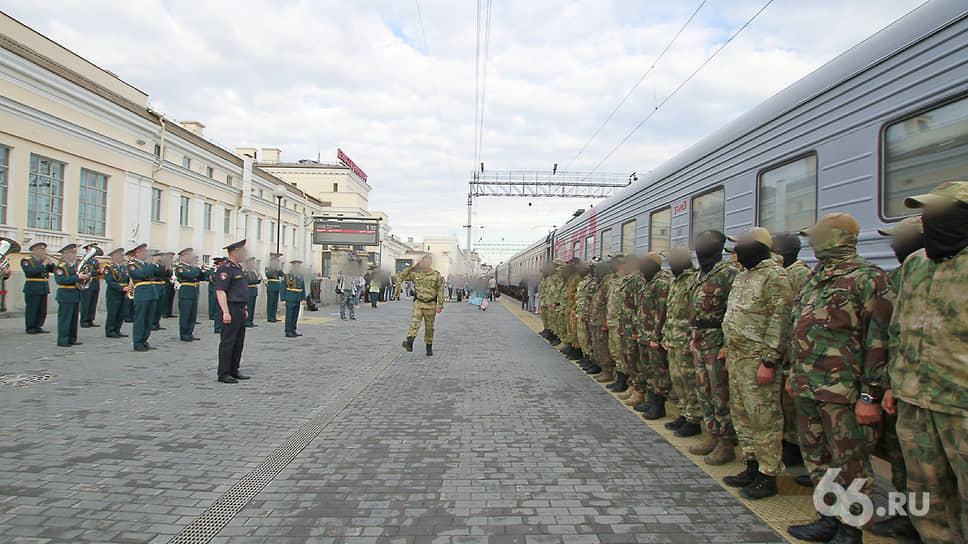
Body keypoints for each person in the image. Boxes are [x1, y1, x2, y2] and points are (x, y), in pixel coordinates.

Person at [786, 213, 891, 544]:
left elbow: (878, 341)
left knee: (851, 464)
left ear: (842, 237)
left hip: (845, 391)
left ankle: (850, 529)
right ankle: (827, 517)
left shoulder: (867, 278)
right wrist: (793, 373)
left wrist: (870, 395)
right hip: (808, 385)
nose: (812, 241)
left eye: (819, 234)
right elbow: (797, 328)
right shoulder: (816, 277)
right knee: (818, 459)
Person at [883, 181, 968, 544]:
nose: (929, 220)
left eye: (939, 213)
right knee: (925, 500)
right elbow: (898, 328)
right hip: (914, 402)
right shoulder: (916, 264)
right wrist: (892, 384)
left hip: (960, 406)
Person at [721, 227, 793, 500]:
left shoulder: (775, 277)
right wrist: (728, 351)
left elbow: (780, 320)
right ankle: (751, 465)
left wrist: (769, 361)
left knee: (764, 418)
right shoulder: (743, 276)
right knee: (742, 414)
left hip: (758, 359)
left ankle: (768, 474)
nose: (737, 249)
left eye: (742, 244)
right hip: (739, 357)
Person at [868, 216, 923, 540]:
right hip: (901, 387)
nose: (894, 244)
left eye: (901, 237)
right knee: (902, 458)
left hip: (948, 396)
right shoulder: (898, 278)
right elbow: (886, 337)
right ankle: (908, 518)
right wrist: (882, 387)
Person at [688, 229, 739, 466]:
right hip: (700, 339)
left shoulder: (729, 274)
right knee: (704, 390)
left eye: (706, 243)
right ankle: (710, 434)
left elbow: (734, 313)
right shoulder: (699, 274)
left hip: (717, 341)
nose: (701, 247)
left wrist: (727, 346)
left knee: (721, 394)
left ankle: (726, 443)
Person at [771, 232, 814, 470]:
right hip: (779, 347)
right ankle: (787, 443)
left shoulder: (800, 274)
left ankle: (794, 448)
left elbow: (796, 317)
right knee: (781, 400)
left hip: (791, 350)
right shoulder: (782, 273)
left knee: (791, 403)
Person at [661, 246, 701, 437]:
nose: (670, 263)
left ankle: (693, 419)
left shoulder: (693, 280)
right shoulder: (676, 281)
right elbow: (670, 311)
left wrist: (692, 339)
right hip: (674, 337)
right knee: (678, 379)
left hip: (685, 339)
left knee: (689, 380)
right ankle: (684, 413)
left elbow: (696, 313)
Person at [633, 252, 673, 420]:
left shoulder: (661, 284)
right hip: (644, 334)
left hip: (654, 336)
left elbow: (662, 313)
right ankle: (651, 401)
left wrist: (657, 338)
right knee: (648, 369)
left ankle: (659, 405)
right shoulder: (647, 282)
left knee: (658, 372)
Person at [215, 240, 251, 384]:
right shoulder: (225, 268)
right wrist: (225, 312)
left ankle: (234, 369)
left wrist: (246, 308)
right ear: (235, 252)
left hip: (240, 308)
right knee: (228, 342)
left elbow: (241, 290)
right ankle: (224, 373)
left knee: (238, 342)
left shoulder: (238, 268)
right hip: (230, 307)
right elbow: (220, 291)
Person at [395, 255, 445, 356]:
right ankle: (410, 342)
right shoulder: (416, 274)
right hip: (418, 302)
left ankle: (429, 346)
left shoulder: (436, 275)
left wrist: (440, 304)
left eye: (427, 262)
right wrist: (412, 267)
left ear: (430, 263)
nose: (425, 264)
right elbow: (401, 277)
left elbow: (440, 290)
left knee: (429, 327)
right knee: (415, 323)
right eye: (423, 262)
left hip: (431, 304)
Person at [53, 243, 88, 347]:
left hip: (75, 294)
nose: (74, 255)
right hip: (65, 294)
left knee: (73, 319)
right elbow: (61, 280)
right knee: (65, 319)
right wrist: (78, 278)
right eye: (72, 253)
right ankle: (63, 339)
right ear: (65, 254)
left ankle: (72, 338)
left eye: (74, 252)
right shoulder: (60, 267)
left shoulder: (76, 266)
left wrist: (85, 277)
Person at [127, 244, 158, 352]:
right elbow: (141, 274)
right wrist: (153, 264)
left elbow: (160, 274)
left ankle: (145, 340)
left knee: (149, 320)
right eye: (144, 252)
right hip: (142, 294)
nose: (146, 254)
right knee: (140, 319)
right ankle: (137, 342)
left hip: (152, 293)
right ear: (137, 254)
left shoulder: (147, 265)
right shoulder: (132, 265)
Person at [20, 241, 55, 334]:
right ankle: (30, 327)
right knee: (32, 309)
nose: (42, 252)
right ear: (33, 250)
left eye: (43, 250)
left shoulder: (43, 260)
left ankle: (38, 326)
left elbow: (53, 270)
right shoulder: (27, 261)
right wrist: (43, 264)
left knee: (42, 309)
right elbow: (30, 272)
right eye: (40, 250)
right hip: (33, 287)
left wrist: (50, 263)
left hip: (43, 287)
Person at [175, 248, 204, 342]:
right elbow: (190, 275)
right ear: (183, 257)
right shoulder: (180, 267)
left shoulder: (192, 267)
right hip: (186, 292)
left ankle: (190, 332)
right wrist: (198, 268)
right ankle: (184, 334)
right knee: (185, 314)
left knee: (192, 315)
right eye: (189, 255)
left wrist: (200, 270)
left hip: (194, 292)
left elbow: (201, 277)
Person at [102, 247, 130, 339]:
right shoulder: (109, 268)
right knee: (113, 312)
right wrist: (122, 288)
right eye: (121, 255)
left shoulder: (124, 267)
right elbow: (110, 282)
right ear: (114, 256)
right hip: (113, 293)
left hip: (124, 292)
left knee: (121, 312)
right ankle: (110, 330)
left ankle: (117, 330)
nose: (123, 257)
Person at [78, 243, 102, 328]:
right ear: (87, 249)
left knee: (93, 302)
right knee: (86, 302)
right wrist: (96, 272)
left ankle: (91, 319)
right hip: (87, 282)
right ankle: (84, 320)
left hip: (95, 282)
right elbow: (85, 271)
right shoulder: (83, 260)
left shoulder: (95, 261)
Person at [284, 259, 306, 338]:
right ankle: (288, 331)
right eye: (296, 265)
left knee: (295, 315)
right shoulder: (287, 275)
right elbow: (283, 287)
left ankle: (293, 329)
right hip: (290, 297)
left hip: (298, 297)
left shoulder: (300, 275)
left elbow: (303, 287)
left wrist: (303, 298)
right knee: (290, 315)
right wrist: (283, 299)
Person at [207, 257, 226, 334]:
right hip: (217, 290)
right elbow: (213, 280)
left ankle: (221, 326)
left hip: (223, 291)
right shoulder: (215, 271)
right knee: (218, 310)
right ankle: (218, 327)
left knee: (222, 310)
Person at [150, 252, 167, 331]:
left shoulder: (161, 266)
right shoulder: (151, 266)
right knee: (154, 306)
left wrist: (167, 266)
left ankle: (157, 322)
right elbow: (156, 274)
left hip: (161, 286)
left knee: (160, 306)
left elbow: (167, 275)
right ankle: (152, 323)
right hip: (155, 286)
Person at [264, 253, 283, 322]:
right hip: (271, 286)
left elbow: (282, 275)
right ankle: (269, 317)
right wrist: (274, 268)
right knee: (270, 302)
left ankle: (273, 316)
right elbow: (268, 275)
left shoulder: (278, 268)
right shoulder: (269, 268)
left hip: (277, 286)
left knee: (275, 303)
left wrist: (279, 269)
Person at [244, 257, 261, 327]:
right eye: (252, 263)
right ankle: (247, 321)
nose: (253, 264)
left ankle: (250, 321)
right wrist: (257, 280)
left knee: (252, 307)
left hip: (253, 291)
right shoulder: (245, 271)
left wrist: (259, 279)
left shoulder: (253, 271)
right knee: (249, 307)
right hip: (248, 291)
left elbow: (255, 281)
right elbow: (248, 281)